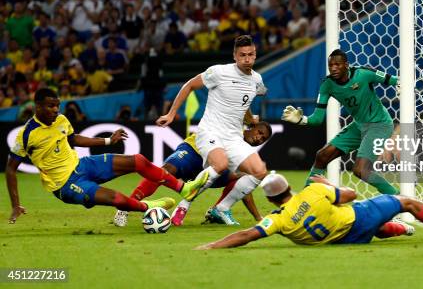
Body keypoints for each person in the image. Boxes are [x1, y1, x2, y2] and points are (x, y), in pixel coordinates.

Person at [6, 88, 208, 224]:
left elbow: (73, 139)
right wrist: (15, 205)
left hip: (82, 165)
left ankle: (183, 188)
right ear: (37, 106)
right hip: (64, 185)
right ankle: (148, 206)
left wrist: (108, 141)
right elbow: (10, 169)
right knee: (117, 198)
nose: (55, 110)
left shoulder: (61, 119)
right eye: (50, 106)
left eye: (57, 105)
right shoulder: (26, 134)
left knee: (137, 160)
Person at [156, 35, 268, 226]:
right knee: (220, 164)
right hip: (210, 131)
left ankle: (221, 208)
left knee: (259, 171)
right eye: (242, 55)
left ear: (255, 55)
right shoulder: (218, 72)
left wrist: (251, 119)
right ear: (234, 56)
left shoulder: (257, 80)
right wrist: (172, 114)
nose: (246, 59)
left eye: (250, 55)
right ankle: (184, 204)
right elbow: (189, 85)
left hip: (233, 136)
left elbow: (244, 102)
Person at [195, 173, 423, 249]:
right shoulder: (313, 191)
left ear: (272, 201)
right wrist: (328, 185)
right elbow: (352, 195)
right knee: (406, 202)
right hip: (356, 220)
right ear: (289, 187)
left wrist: (212, 244)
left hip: (343, 239)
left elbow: (246, 235)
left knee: (379, 230)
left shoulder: (278, 219)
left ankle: (399, 229)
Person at [282, 49, 400, 194]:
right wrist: (301, 119)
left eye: (337, 65)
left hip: (379, 124)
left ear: (346, 65)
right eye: (330, 65)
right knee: (322, 155)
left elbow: (393, 79)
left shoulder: (363, 74)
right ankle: (307, 195)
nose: (333, 68)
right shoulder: (327, 84)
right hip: (358, 125)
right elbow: (317, 119)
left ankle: (398, 197)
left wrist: (401, 85)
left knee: (360, 170)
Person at [113, 121, 273, 227]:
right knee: (166, 171)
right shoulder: (234, 125)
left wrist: (258, 218)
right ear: (251, 127)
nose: (259, 138)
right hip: (194, 152)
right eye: (259, 132)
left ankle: (216, 211)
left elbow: (244, 190)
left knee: (242, 177)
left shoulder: (244, 154)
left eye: (263, 138)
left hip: (210, 169)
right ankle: (127, 206)